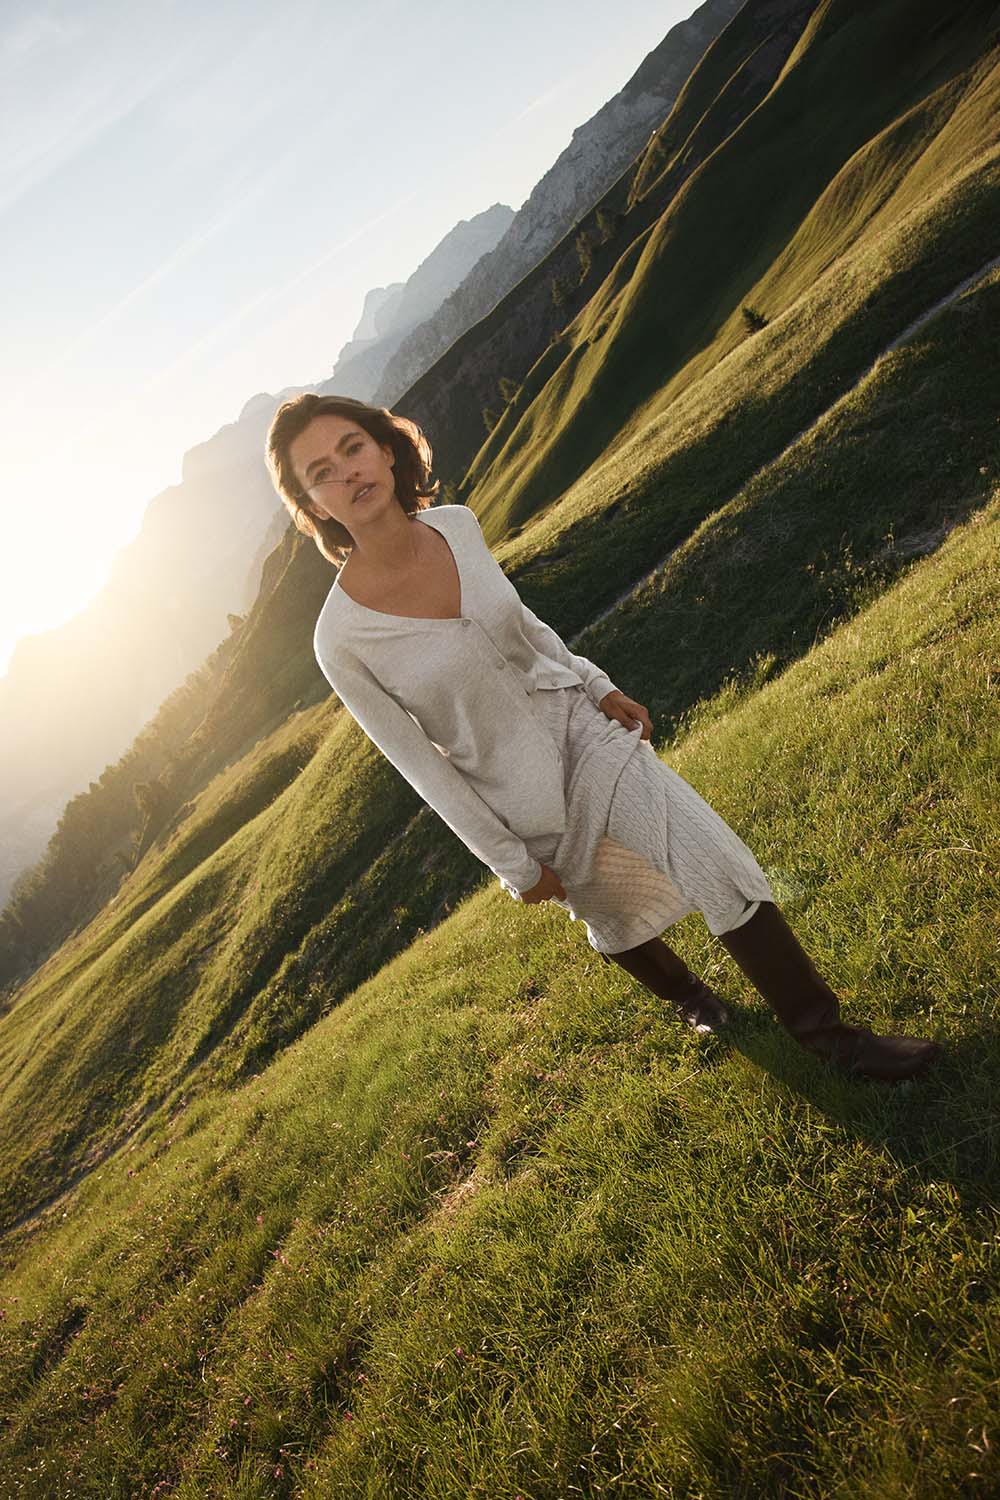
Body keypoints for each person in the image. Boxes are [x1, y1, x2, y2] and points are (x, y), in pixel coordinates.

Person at [265, 393, 942, 1084]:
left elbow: (524, 626)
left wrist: (593, 683)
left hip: (584, 732)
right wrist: (513, 865)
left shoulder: (457, 527)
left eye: (352, 446)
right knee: (611, 915)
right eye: (321, 471)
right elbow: (421, 768)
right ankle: (690, 997)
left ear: (384, 446)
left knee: (715, 857)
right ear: (314, 504)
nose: (347, 472)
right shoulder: (341, 640)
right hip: (523, 804)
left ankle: (833, 1041)